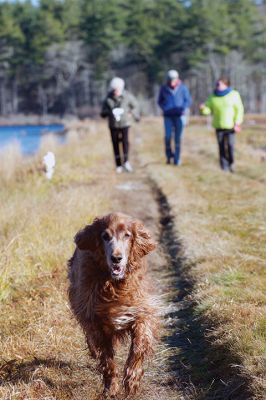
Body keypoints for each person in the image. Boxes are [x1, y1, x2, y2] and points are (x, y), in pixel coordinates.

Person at [200, 77, 244, 172]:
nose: (217, 86)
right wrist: (203, 108)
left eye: (219, 84)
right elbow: (208, 110)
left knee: (230, 145)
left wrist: (237, 122)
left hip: (231, 125)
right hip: (218, 125)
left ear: (226, 85)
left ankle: (231, 163)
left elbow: (239, 109)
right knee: (221, 146)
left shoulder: (234, 95)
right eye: (217, 84)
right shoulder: (213, 96)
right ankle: (224, 167)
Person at [101, 77, 140, 173]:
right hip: (113, 125)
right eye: (114, 89)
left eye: (117, 89)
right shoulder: (108, 98)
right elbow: (102, 112)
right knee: (115, 144)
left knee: (125, 142)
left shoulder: (127, 96)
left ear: (121, 88)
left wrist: (132, 114)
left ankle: (126, 162)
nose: (115, 91)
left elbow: (135, 105)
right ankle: (118, 165)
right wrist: (110, 112)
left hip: (125, 123)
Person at [158, 69, 191, 165]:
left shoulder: (183, 88)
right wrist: (165, 108)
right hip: (168, 116)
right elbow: (160, 101)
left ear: (177, 79)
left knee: (178, 138)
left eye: (174, 79)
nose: (172, 81)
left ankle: (177, 158)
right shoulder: (163, 88)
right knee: (168, 137)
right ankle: (169, 156)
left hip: (179, 116)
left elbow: (188, 100)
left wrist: (183, 108)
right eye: (170, 79)